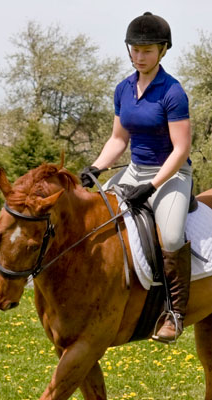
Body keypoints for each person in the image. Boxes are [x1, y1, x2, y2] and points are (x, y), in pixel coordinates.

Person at [80, 12, 192, 344]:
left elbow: (181, 149)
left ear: (162, 51)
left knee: (170, 236)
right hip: (133, 170)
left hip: (169, 173)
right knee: (95, 217)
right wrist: (96, 168)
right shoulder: (123, 89)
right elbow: (118, 139)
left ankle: (174, 311)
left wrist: (153, 186)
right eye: (135, 49)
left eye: (147, 50)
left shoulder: (173, 92)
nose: (139, 56)